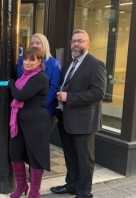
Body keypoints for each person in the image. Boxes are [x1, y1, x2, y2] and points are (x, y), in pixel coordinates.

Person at [50, 29, 106, 198]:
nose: (76, 44)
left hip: (84, 122)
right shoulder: (68, 64)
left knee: (85, 159)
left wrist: (69, 97)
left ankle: (84, 192)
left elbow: (98, 93)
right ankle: (72, 185)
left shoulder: (95, 64)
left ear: (88, 44)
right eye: (74, 41)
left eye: (80, 41)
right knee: (70, 156)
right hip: (66, 119)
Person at [8, 47, 51, 198]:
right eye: (25, 59)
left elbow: (20, 95)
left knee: (35, 158)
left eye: (31, 59)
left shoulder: (40, 78)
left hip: (36, 124)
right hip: (19, 124)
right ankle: (21, 186)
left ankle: (34, 192)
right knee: (14, 154)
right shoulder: (23, 76)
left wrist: (11, 84)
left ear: (39, 61)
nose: (27, 62)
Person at [17, 33, 61, 126]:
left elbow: (54, 87)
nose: (34, 46)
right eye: (32, 43)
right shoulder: (22, 60)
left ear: (44, 45)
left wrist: (42, 105)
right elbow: (19, 80)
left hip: (45, 110)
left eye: (38, 43)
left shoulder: (54, 63)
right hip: (24, 108)